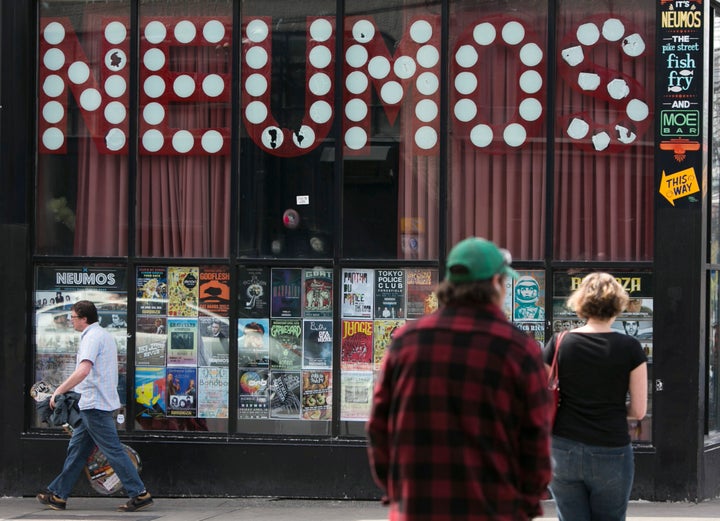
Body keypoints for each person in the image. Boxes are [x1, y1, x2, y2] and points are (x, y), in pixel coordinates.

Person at [367, 237, 552, 520]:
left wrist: (400, 489)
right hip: (494, 509)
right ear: (495, 284)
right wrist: (524, 504)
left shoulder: (406, 342)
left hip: (419, 507)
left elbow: (379, 427)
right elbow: (536, 441)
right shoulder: (519, 350)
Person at [542, 272, 647, 521]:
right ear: (617, 305)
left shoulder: (560, 342)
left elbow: (537, 393)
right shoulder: (630, 348)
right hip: (611, 447)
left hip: (563, 447)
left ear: (581, 303)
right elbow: (640, 410)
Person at [36, 300, 153, 513]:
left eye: (73, 317)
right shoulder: (103, 335)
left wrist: (59, 390)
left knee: (113, 451)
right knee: (77, 450)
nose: (71, 321)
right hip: (95, 403)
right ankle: (59, 495)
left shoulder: (92, 338)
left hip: (96, 405)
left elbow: (83, 370)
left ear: (83, 318)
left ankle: (139, 493)